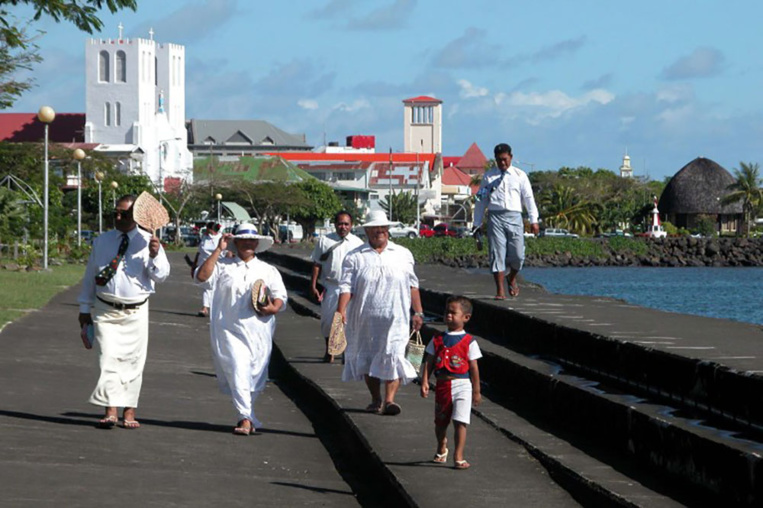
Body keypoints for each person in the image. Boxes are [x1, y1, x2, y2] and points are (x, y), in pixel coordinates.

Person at [77, 194, 170, 429]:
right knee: (106, 358)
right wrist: (84, 308)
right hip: (105, 308)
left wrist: (154, 254)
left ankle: (129, 411)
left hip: (136, 311)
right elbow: (90, 276)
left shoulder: (149, 241)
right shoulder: (102, 241)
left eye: (124, 214)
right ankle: (110, 410)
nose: (118, 217)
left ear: (136, 216)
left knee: (133, 362)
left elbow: (161, 276)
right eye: (116, 213)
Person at [195, 223, 287, 436]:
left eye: (251, 239)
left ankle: (249, 414)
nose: (247, 242)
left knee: (255, 376)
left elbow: (279, 296)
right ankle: (244, 417)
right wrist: (218, 250)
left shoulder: (267, 270)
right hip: (229, 330)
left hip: (259, 332)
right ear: (235, 241)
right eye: (242, 239)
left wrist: (272, 307)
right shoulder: (223, 265)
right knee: (238, 369)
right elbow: (201, 277)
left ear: (257, 243)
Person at [337, 210, 424, 416]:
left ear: (388, 230)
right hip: (365, 317)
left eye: (383, 228)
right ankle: (376, 399)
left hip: (396, 316)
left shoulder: (403, 254)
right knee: (368, 357)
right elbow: (346, 287)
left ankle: (390, 400)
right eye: (375, 229)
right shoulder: (355, 256)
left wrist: (418, 311)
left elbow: (413, 285)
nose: (379, 232)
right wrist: (340, 311)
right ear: (367, 231)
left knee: (393, 353)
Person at [420, 296, 482, 470]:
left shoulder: (469, 341)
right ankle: (442, 446)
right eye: (447, 312)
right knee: (440, 422)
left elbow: (474, 368)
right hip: (442, 385)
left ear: (465, 318)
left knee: (460, 421)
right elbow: (429, 361)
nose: (448, 315)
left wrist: (476, 391)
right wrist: (425, 380)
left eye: (453, 313)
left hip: (463, 384)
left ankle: (458, 455)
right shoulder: (437, 338)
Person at [473, 143, 540, 299]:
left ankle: (512, 277)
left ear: (511, 157)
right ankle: (500, 291)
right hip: (495, 216)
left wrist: (533, 220)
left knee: (518, 255)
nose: (502, 163)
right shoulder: (489, 176)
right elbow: (481, 200)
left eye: (504, 159)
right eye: (498, 160)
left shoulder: (520, 175)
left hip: (515, 216)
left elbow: (528, 199)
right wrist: (476, 224)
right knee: (497, 254)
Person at [310, 211, 364, 362]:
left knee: (348, 322)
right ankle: (330, 350)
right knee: (328, 321)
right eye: (340, 223)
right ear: (335, 225)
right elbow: (316, 263)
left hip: (351, 288)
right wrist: (313, 285)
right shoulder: (324, 241)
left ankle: (346, 353)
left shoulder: (358, 243)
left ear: (351, 225)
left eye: (346, 224)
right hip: (331, 286)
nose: (343, 227)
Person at [193, 221, 222, 317]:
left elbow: (227, 253)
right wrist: (194, 263)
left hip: (217, 265)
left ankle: (212, 308)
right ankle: (205, 307)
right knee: (206, 286)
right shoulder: (204, 238)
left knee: (216, 287)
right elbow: (199, 251)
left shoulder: (220, 239)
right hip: (203, 265)